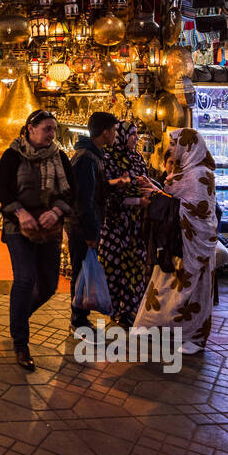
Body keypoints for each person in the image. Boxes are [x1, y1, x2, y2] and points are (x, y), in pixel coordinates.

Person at [0, 109, 73, 370]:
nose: (52, 134)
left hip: (50, 229)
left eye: (54, 129)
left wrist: (57, 210)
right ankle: (20, 342)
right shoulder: (13, 155)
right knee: (25, 279)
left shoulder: (60, 157)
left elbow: (72, 191)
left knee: (48, 285)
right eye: (47, 128)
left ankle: (18, 319)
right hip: (19, 228)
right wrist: (20, 211)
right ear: (30, 128)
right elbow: (2, 188)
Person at [132, 128, 218, 354]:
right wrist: (154, 189)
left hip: (193, 243)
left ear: (188, 147)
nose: (171, 149)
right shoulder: (184, 172)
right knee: (166, 284)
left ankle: (193, 336)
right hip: (177, 240)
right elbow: (174, 201)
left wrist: (155, 195)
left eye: (175, 143)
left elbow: (194, 210)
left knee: (191, 290)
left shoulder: (200, 174)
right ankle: (155, 327)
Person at [68, 111, 119, 333]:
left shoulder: (93, 155)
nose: (116, 134)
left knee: (83, 267)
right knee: (81, 269)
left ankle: (80, 314)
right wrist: (91, 231)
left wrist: (115, 184)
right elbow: (84, 199)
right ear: (105, 132)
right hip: (81, 224)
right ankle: (78, 317)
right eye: (114, 130)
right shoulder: (86, 158)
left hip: (85, 222)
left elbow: (94, 190)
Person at [100, 121, 151, 329]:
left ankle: (131, 309)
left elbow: (146, 182)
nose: (136, 138)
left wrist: (144, 187)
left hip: (136, 225)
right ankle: (114, 309)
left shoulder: (137, 158)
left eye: (137, 134)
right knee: (113, 266)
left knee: (135, 264)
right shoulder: (108, 159)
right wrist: (135, 199)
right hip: (115, 225)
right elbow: (105, 193)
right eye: (132, 135)